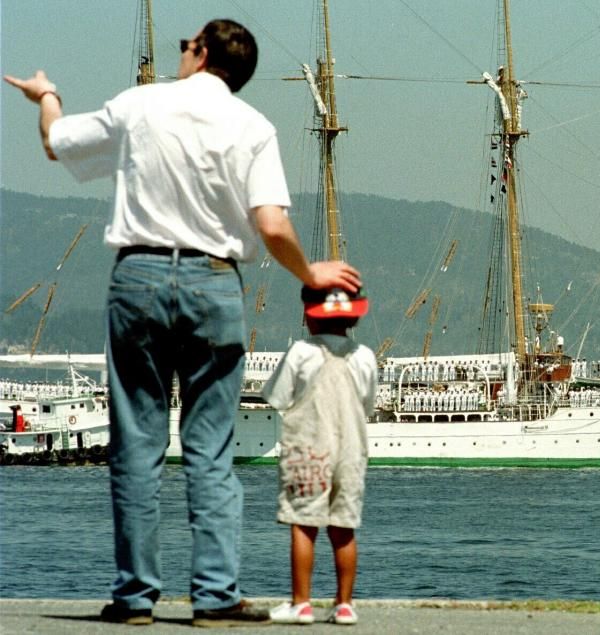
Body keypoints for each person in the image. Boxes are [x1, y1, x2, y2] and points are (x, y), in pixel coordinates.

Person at [5, 19, 361, 627]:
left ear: (200, 54)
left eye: (184, 45)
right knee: (210, 449)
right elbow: (272, 226)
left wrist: (47, 96)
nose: (179, 53)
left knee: (137, 444)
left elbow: (57, 142)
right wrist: (313, 271)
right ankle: (215, 597)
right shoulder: (253, 127)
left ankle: (135, 597)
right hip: (213, 282)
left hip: (138, 276)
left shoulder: (141, 104)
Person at [262, 286, 377, 626]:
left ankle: (302, 604)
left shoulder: (300, 352)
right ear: (354, 316)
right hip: (351, 450)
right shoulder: (364, 355)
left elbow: (278, 397)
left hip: (308, 448)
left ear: (309, 315)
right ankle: (344, 605)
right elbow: (367, 404)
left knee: (304, 524)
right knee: (344, 527)